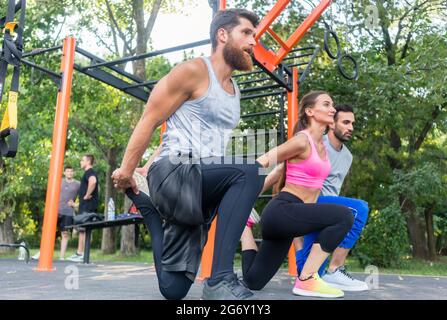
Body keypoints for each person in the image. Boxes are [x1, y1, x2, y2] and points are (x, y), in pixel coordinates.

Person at [112, 9, 265, 300]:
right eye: (246, 33)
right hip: (174, 172)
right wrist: (127, 171)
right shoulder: (194, 70)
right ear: (223, 35)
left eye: (254, 36)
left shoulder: (235, 93)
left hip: (200, 188)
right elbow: (150, 119)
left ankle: (148, 209)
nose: (253, 42)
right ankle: (219, 279)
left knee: (173, 289)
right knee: (251, 170)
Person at [240, 91, 354, 299]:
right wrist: (241, 196)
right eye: (327, 104)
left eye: (333, 105)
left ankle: (244, 225)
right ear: (310, 111)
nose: (333, 109)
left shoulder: (323, 147)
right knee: (344, 216)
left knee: (253, 281)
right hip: (283, 210)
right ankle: (307, 279)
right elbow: (264, 160)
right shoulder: (302, 141)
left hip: (290, 219)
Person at [294, 104, 369, 291]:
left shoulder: (347, 157)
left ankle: (327, 271)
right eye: (345, 122)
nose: (350, 127)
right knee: (360, 208)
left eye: (352, 123)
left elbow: (334, 190)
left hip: (328, 212)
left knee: (310, 275)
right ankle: (334, 270)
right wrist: (296, 232)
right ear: (332, 124)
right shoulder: (316, 144)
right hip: (309, 205)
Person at [32, 166, 80, 261]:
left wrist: (76, 204)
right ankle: (41, 253)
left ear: (73, 173)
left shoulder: (78, 184)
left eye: (71, 171)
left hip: (68, 212)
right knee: (48, 232)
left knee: (65, 234)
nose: (69, 173)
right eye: (67, 171)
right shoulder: (59, 181)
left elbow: (86, 196)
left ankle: (62, 257)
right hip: (55, 211)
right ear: (64, 173)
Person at [68, 154, 99, 263]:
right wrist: (76, 205)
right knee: (82, 229)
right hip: (85, 205)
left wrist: (86, 195)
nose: (80, 162)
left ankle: (82, 253)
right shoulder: (87, 173)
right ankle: (80, 252)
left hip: (88, 206)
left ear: (88, 162)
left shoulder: (90, 172)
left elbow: (93, 181)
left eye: (82, 160)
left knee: (84, 229)